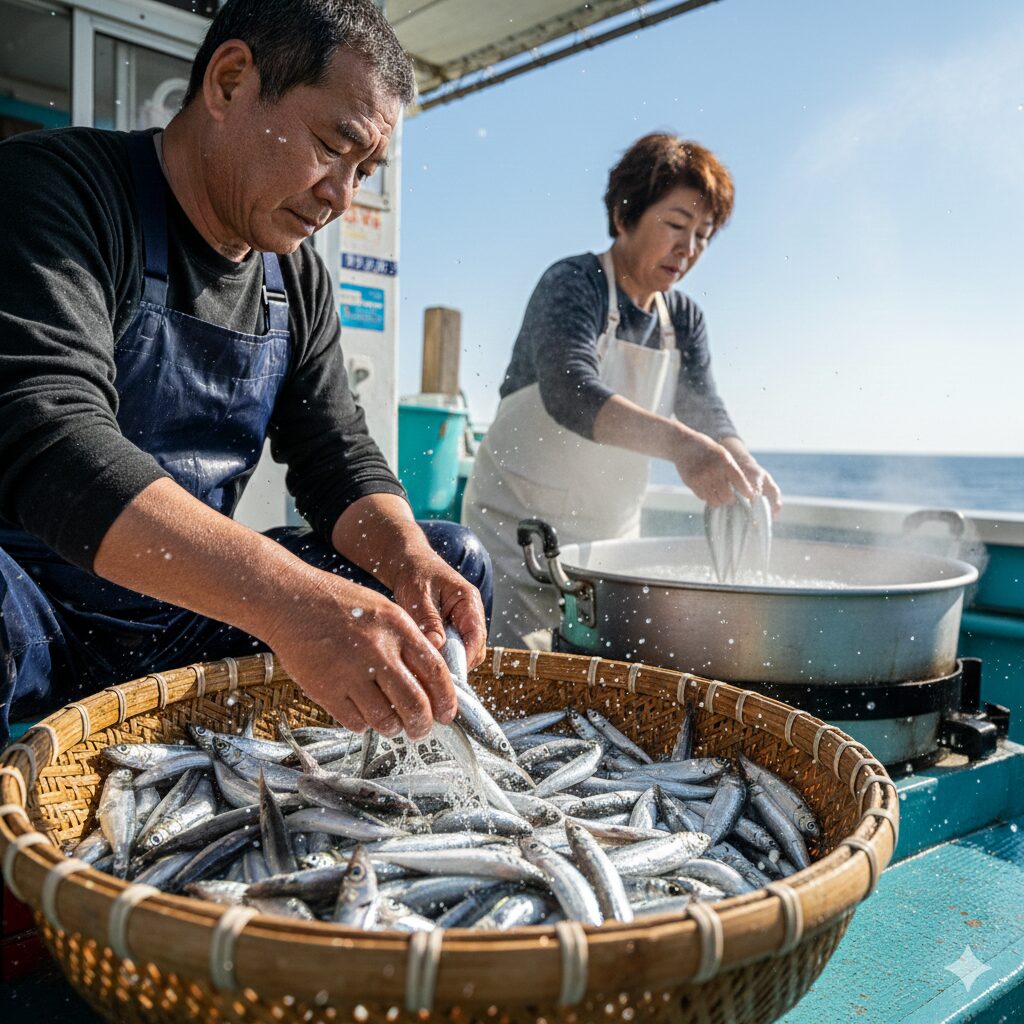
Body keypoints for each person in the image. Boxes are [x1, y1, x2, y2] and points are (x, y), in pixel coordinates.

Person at [0, 0, 491, 747]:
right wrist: (291, 602)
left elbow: (337, 459)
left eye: (363, 172)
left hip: (188, 616)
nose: (342, 195)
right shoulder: (58, 190)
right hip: (36, 614)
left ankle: (391, 784)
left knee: (448, 567)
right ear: (230, 82)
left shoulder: (297, 282)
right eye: (332, 146)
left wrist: (411, 560)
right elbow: (52, 440)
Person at [463, 132, 780, 648]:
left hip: (608, 554)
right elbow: (571, 391)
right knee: (514, 683)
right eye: (675, 225)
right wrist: (684, 448)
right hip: (514, 542)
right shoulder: (573, 283)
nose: (689, 249)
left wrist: (739, 459)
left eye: (702, 235)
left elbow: (704, 407)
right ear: (623, 215)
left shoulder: (683, 318)